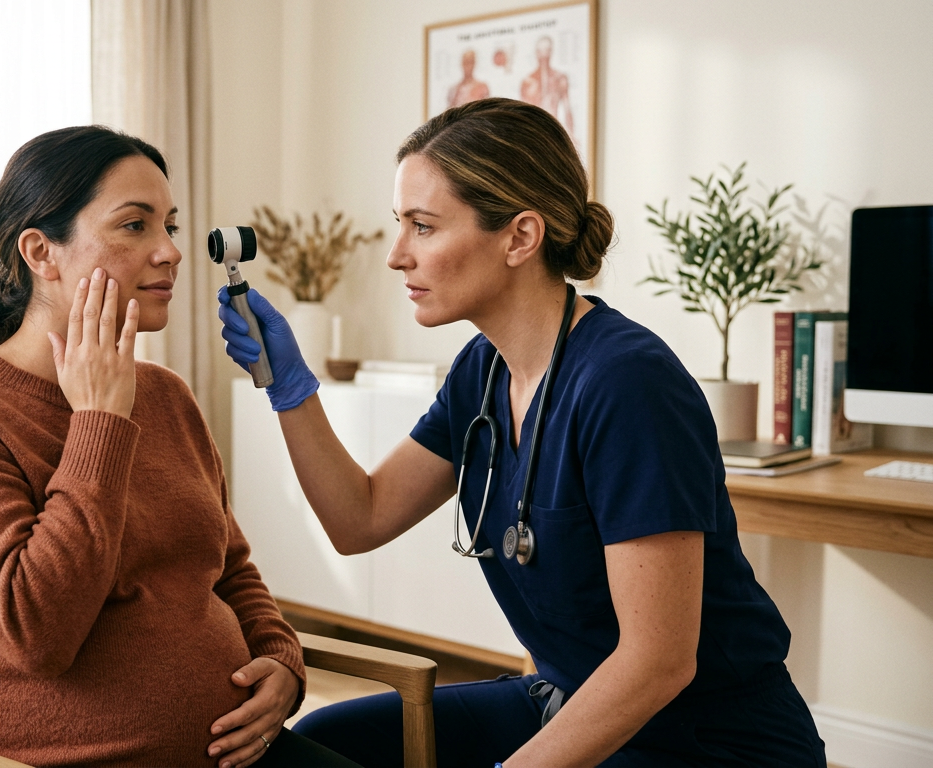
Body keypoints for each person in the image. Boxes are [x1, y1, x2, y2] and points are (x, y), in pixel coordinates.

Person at [217, 99, 827, 767]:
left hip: (702, 738)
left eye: (422, 227)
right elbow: (359, 520)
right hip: (564, 696)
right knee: (325, 743)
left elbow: (659, 664)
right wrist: (290, 388)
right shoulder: (481, 370)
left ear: (519, 237)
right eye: (401, 225)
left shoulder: (629, 384)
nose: (396, 256)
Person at [0, 126, 359, 768]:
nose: (170, 252)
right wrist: (98, 422)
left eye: (169, 225)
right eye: (134, 226)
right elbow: (35, 631)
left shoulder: (166, 396)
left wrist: (280, 660)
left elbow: (227, 567)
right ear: (40, 251)